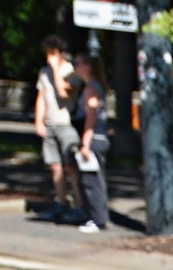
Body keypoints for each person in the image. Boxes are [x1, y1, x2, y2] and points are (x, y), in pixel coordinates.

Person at [33, 36, 81, 219]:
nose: (49, 58)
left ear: (61, 53)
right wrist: (39, 121)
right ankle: (60, 203)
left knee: (71, 166)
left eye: (53, 54)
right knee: (55, 167)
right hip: (51, 124)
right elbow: (41, 97)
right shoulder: (44, 72)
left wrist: (55, 70)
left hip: (66, 123)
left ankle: (79, 205)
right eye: (48, 54)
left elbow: (63, 92)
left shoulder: (71, 71)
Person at [71, 57, 112, 233]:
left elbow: (91, 117)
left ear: (87, 66)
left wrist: (85, 144)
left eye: (78, 63)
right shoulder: (96, 86)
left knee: (91, 181)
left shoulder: (91, 88)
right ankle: (99, 216)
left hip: (94, 139)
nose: (75, 66)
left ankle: (98, 219)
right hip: (100, 138)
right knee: (97, 179)